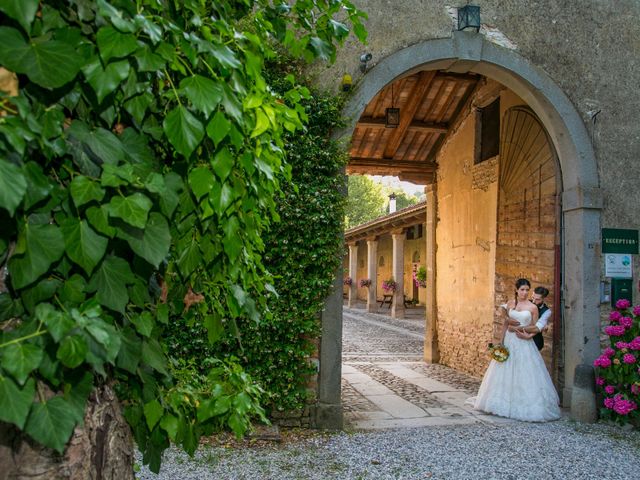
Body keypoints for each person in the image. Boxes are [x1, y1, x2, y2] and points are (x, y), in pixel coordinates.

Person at [468, 278, 561, 422]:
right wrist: (500, 340)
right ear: (517, 290)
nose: (524, 292)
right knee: (503, 369)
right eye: (522, 289)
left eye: (527, 290)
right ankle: (500, 402)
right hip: (510, 341)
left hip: (523, 342)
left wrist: (524, 333)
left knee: (524, 371)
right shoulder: (511, 303)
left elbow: (535, 327)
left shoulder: (533, 307)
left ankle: (525, 405)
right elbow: (505, 322)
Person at [513, 286, 551, 351]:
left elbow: (538, 327)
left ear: (543, 299)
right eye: (533, 297)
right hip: (519, 338)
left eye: (537, 299)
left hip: (535, 341)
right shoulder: (525, 302)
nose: (533, 301)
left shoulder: (547, 311)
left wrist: (528, 336)